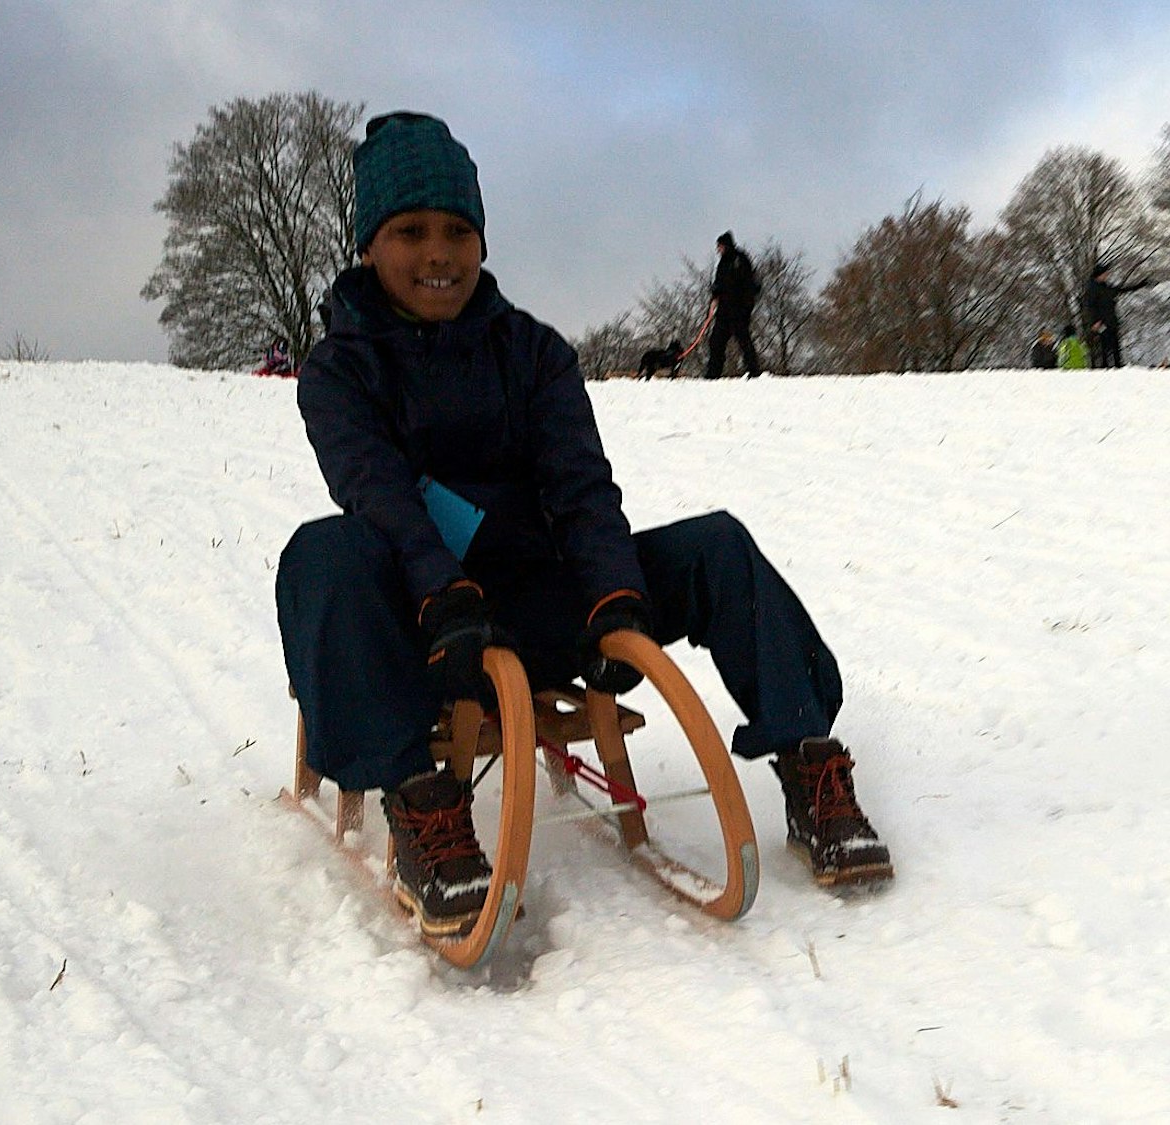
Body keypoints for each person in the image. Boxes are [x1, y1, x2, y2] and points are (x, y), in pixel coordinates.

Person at [276, 112, 891, 938]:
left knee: (717, 543)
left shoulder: (532, 352)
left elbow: (580, 487)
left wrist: (616, 597)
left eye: (458, 230)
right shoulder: (340, 368)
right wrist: (443, 594)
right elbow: (377, 493)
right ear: (367, 245)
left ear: (482, 241)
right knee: (324, 552)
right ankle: (422, 803)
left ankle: (809, 759)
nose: (437, 253)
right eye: (410, 230)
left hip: (549, 596)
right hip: (430, 625)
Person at [704, 230, 763, 379]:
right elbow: (718, 283)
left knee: (744, 341)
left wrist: (747, 306)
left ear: (726, 246)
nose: (718, 250)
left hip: (739, 310)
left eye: (720, 246)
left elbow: (749, 283)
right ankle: (713, 373)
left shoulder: (740, 259)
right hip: (724, 310)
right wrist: (715, 295)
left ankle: (754, 371)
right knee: (716, 342)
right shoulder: (722, 263)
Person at [1083, 260, 1152, 368]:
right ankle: (1105, 367)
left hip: (1111, 321)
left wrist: (1139, 285)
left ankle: (1118, 366)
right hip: (1101, 322)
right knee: (1105, 347)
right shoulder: (1092, 288)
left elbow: (1122, 289)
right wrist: (1094, 322)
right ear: (1099, 274)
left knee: (1115, 346)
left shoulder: (1105, 287)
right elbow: (1090, 307)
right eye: (1105, 273)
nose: (1107, 275)